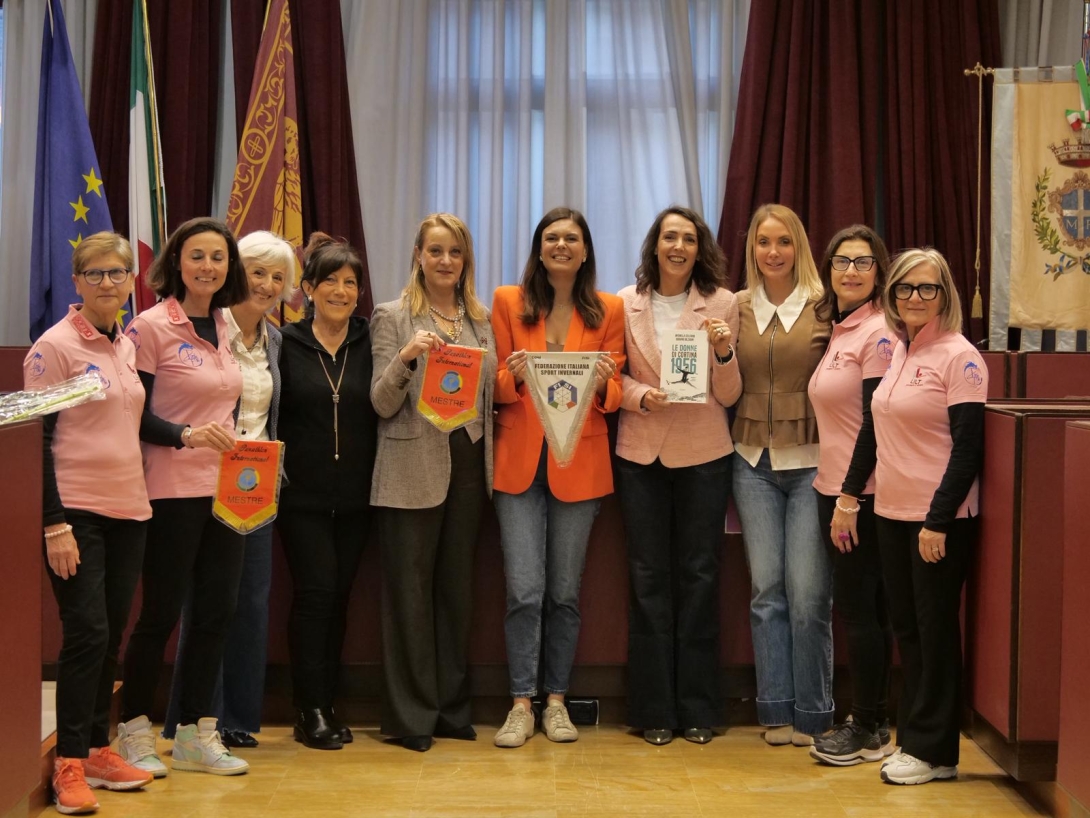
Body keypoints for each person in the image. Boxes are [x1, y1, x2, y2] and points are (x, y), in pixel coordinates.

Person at [24, 233, 154, 814]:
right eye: (95, 273)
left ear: (132, 281)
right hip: (75, 512)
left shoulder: (123, 345)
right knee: (87, 634)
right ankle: (69, 764)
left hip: (130, 509)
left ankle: (100, 749)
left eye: (117, 273)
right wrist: (53, 523)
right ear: (76, 282)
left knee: (110, 637)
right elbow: (34, 439)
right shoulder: (54, 347)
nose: (108, 282)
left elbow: (132, 426)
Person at [847, 248, 986, 785]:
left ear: (945, 294)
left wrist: (938, 520)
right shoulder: (900, 353)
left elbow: (967, 451)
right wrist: (854, 496)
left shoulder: (960, 356)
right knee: (906, 626)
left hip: (936, 519)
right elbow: (876, 430)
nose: (914, 298)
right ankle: (921, 744)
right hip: (891, 512)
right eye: (905, 289)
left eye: (926, 289)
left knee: (933, 632)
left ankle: (933, 750)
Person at [119, 217, 251, 777]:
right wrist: (186, 436)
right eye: (197, 256)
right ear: (176, 262)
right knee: (161, 616)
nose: (207, 268)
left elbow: (224, 404)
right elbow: (133, 412)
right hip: (169, 489)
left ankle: (198, 734)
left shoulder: (226, 322)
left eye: (218, 258)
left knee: (216, 614)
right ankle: (132, 734)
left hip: (228, 493)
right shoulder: (150, 327)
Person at [490, 206, 625, 748]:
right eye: (552, 238)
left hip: (581, 466)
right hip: (519, 467)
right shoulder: (506, 302)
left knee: (565, 594)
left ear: (586, 249)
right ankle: (521, 703)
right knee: (524, 590)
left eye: (572, 238)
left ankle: (556, 702)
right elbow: (493, 384)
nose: (562, 245)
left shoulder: (609, 309)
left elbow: (614, 397)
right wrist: (512, 378)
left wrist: (601, 383)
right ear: (539, 248)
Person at [163, 231, 295, 749]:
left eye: (277, 276)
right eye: (257, 271)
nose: (266, 284)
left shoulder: (276, 339)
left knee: (250, 603)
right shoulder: (207, 332)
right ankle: (196, 721)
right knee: (207, 605)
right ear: (237, 273)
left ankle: (238, 719)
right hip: (201, 480)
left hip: (257, 486)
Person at [370, 213, 497, 752]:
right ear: (418, 255)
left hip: (467, 464)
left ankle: (449, 707)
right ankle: (410, 715)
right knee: (409, 596)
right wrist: (406, 358)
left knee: (455, 595)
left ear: (465, 260)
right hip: (409, 467)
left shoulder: (481, 320)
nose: (446, 261)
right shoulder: (392, 315)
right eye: (436, 251)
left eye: (456, 252)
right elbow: (380, 402)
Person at [615, 206, 741, 745]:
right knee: (647, 581)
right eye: (670, 236)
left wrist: (723, 351)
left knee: (699, 577)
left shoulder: (723, 304)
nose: (678, 246)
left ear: (699, 248)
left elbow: (730, 394)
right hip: (640, 455)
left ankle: (697, 708)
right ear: (655, 244)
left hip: (704, 455)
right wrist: (640, 394)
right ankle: (653, 710)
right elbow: (609, 376)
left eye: (688, 238)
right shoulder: (624, 302)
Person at [731, 204, 833, 746]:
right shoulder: (737, 306)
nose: (773, 252)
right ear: (752, 249)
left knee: (810, 594)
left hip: (814, 463)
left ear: (800, 247)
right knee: (766, 592)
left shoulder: (824, 305)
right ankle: (774, 707)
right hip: (751, 465)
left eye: (784, 242)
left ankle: (814, 713)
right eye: (763, 242)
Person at [277, 232, 377, 750]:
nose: (342, 291)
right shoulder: (285, 343)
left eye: (351, 282)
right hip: (301, 497)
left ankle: (329, 703)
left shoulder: (371, 340)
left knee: (339, 599)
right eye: (331, 281)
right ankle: (308, 708)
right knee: (314, 595)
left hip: (360, 496)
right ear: (308, 289)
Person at [806, 226, 896, 766]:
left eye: (864, 262)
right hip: (837, 487)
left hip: (859, 494)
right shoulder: (842, 328)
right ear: (829, 269)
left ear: (879, 273)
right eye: (843, 261)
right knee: (865, 611)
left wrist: (848, 497)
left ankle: (867, 727)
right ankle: (875, 719)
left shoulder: (879, 331)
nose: (852, 271)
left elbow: (872, 425)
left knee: (863, 612)